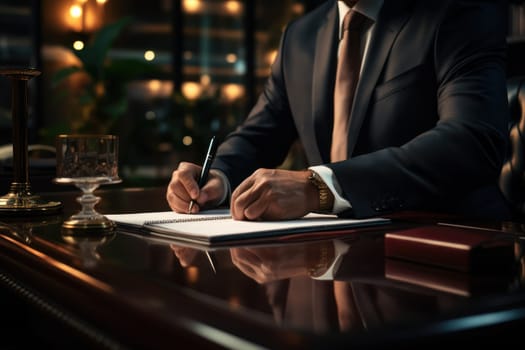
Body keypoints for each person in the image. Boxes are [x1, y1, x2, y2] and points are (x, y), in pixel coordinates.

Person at [167, 0, 511, 221]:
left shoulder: (460, 12)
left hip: (443, 246)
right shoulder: (300, 36)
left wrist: (319, 186)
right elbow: (261, 133)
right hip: (333, 252)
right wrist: (219, 177)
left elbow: (472, 139)